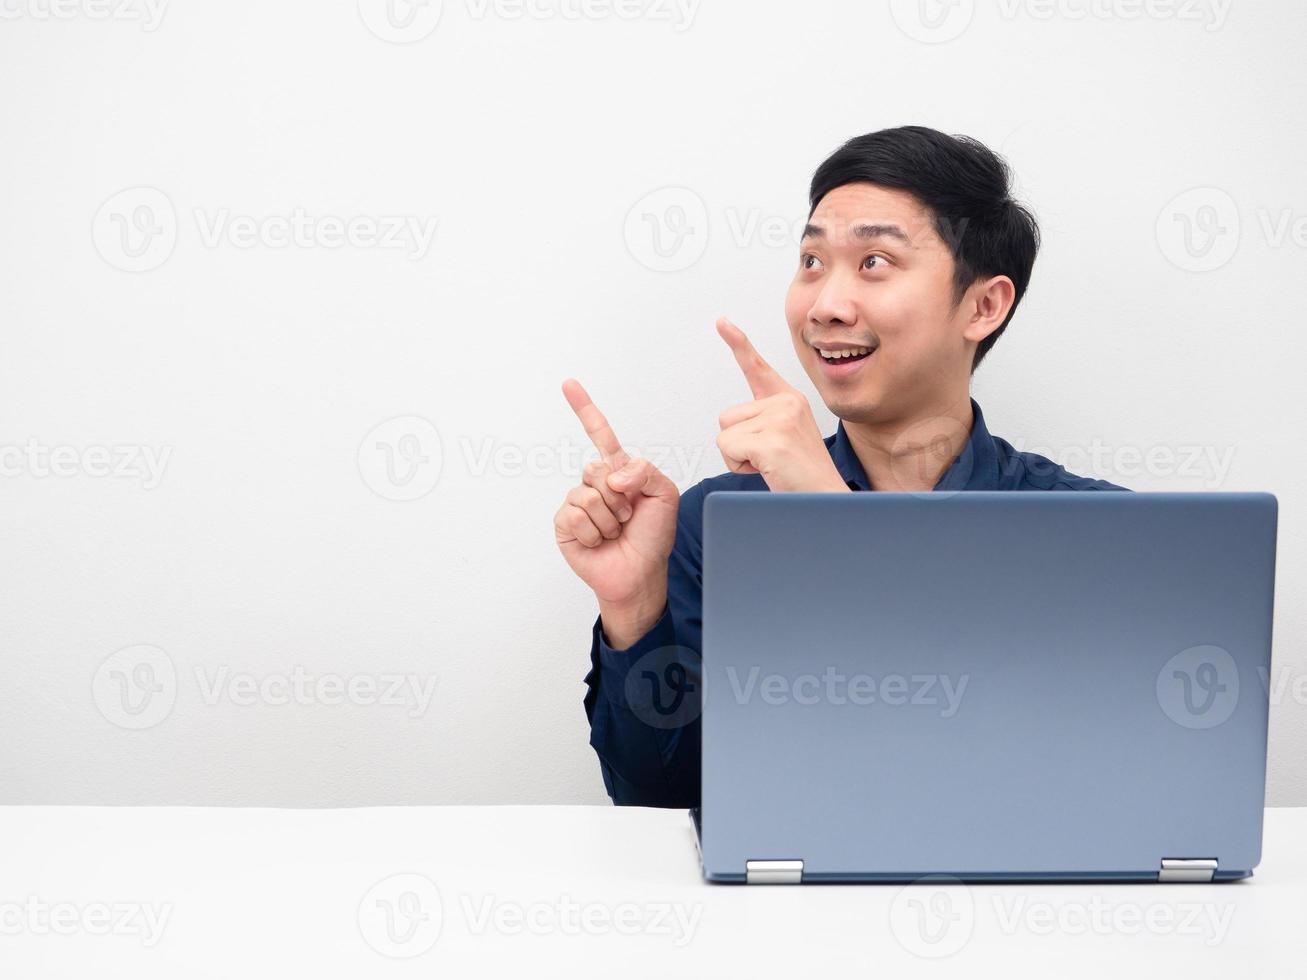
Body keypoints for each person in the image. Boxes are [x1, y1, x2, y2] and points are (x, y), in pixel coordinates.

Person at [554, 126, 1127, 808]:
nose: (824, 305)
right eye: (811, 261)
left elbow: (1049, 782)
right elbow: (659, 796)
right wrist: (634, 608)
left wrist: (835, 524)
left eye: (874, 262)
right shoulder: (719, 524)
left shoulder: (1094, 531)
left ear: (983, 305)